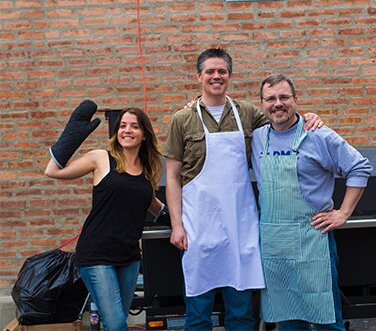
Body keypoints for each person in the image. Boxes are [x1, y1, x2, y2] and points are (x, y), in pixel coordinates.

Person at [163, 48, 323, 330]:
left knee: (241, 312)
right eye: (210, 71)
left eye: (222, 71)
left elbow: (283, 122)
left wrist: (310, 117)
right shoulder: (182, 119)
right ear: (199, 76)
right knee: (198, 313)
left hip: (241, 226)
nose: (216, 76)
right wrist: (177, 225)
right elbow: (173, 177)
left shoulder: (246, 112)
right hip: (198, 226)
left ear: (229, 76)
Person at [251, 74, 372, 330]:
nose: (277, 104)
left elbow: (359, 167)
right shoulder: (258, 137)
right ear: (261, 104)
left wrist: (343, 212)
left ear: (296, 99)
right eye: (270, 99)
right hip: (275, 244)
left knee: (326, 318)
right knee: (288, 319)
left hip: (313, 240)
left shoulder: (317, 134)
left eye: (284, 97)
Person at [45, 104, 166, 331]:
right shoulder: (101, 158)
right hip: (96, 255)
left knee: (116, 321)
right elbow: (52, 171)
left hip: (129, 257)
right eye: (122, 126)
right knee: (116, 324)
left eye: (134, 126)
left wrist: (182, 224)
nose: (127, 130)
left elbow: (154, 206)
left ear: (144, 134)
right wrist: (71, 136)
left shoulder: (147, 170)